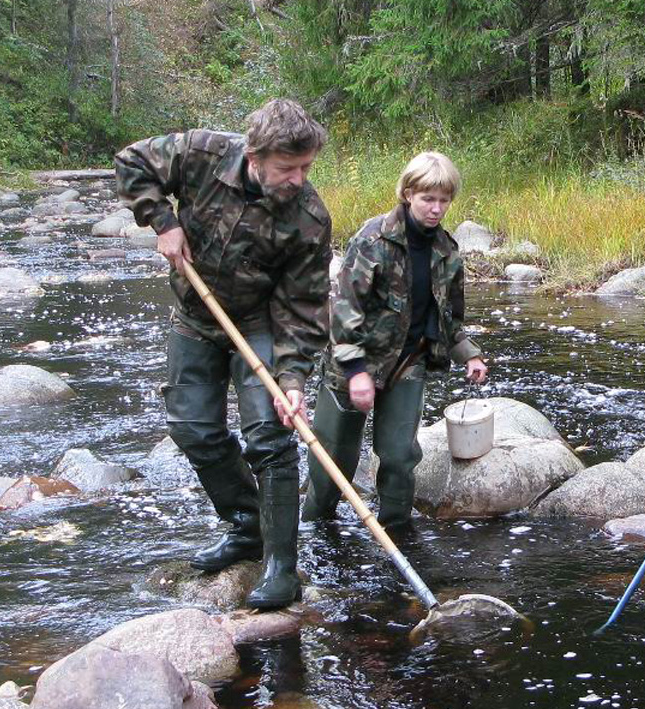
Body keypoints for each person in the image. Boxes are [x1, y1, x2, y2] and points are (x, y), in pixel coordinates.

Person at [112, 98, 332, 608]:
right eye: (287, 168)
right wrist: (163, 221)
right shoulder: (202, 153)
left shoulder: (310, 218)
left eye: (306, 167)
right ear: (254, 157)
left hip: (261, 325)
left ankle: (282, 565)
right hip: (195, 317)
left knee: (270, 436)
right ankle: (245, 525)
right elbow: (132, 161)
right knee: (192, 427)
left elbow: (303, 308)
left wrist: (294, 379)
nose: (298, 178)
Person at [301, 151, 487, 533]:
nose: (436, 209)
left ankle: (398, 534)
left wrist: (469, 354)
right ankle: (316, 530)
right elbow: (344, 312)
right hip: (351, 365)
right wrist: (356, 373)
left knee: (400, 456)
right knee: (334, 458)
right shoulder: (373, 240)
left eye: (444, 200)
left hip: (408, 363)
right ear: (407, 194)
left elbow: (449, 317)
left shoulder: (447, 251)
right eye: (427, 199)